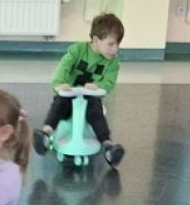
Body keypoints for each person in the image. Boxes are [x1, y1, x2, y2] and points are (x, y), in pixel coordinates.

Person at [33, 12, 124, 166]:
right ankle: (46, 134)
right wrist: (59, 84)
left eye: (117, 44)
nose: (115, 49)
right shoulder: (77, 50)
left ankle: (107, 145)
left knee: (96, 113)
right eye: (111, 44)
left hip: (91, 98)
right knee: (59, 104)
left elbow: (109, 82)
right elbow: (64, 67)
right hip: (69, 94)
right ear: (96, 40)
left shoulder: (113, 62)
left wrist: (99, 86)